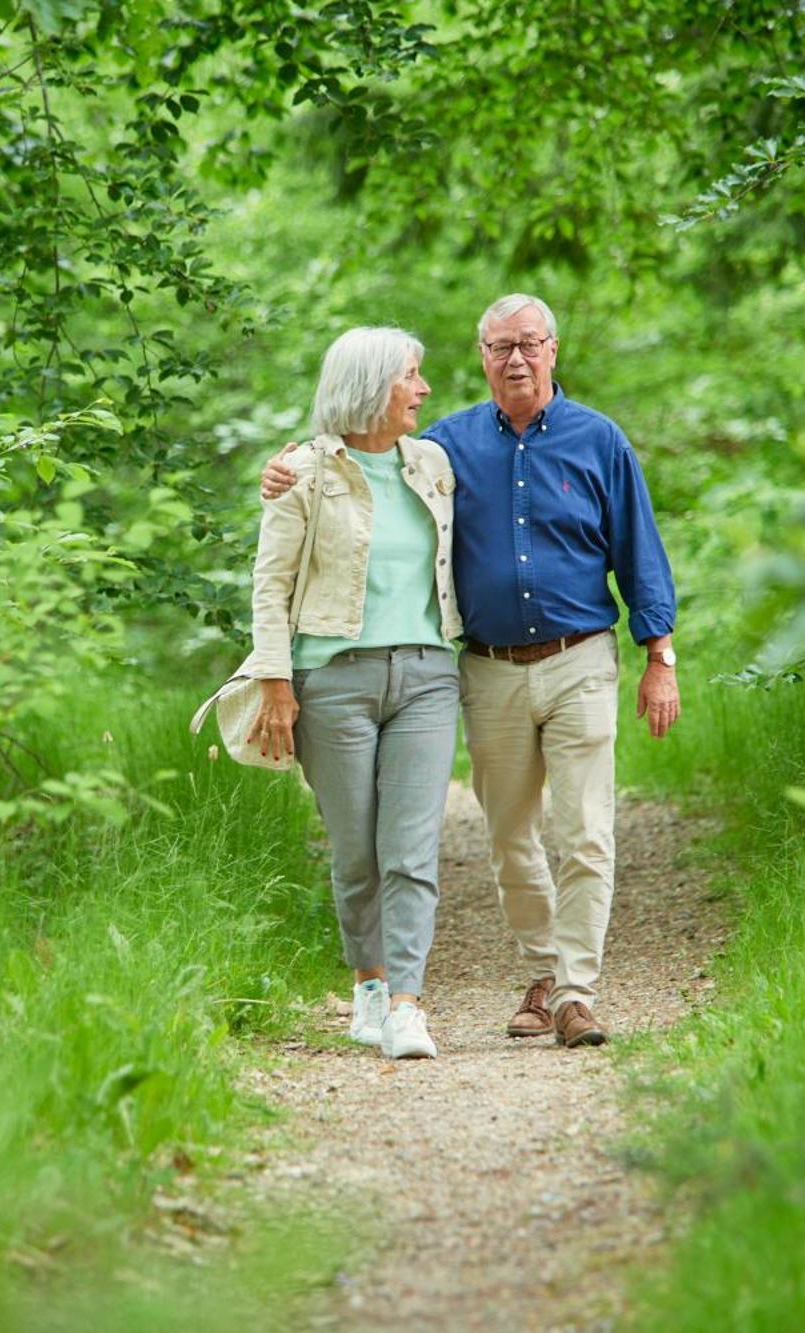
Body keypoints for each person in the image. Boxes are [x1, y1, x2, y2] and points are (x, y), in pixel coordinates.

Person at [262, 294, 678, 1048]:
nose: (515, 359)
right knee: (510, 838)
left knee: (585, 831)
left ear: (554, 349)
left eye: (528, 344)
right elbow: (355, 445)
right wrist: (287, 461)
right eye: (499, 347)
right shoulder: (444, 448)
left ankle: (575, 991)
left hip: (581, 658)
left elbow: (640, 551)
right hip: (486, 669)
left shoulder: (599, 440)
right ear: (482, 357)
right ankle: (543, 971)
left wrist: (660, 656)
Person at [245, 326, 462, 1060]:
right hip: (331, 680)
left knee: (411, 846)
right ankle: (367, 986)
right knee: (357, 849)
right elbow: (270, 587)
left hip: (428, 675)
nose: (424, 390)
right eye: (411, 376)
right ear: (373, 386)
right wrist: (274, 679)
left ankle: (408, 1002)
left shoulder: (432, 463)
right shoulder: (302, 473)